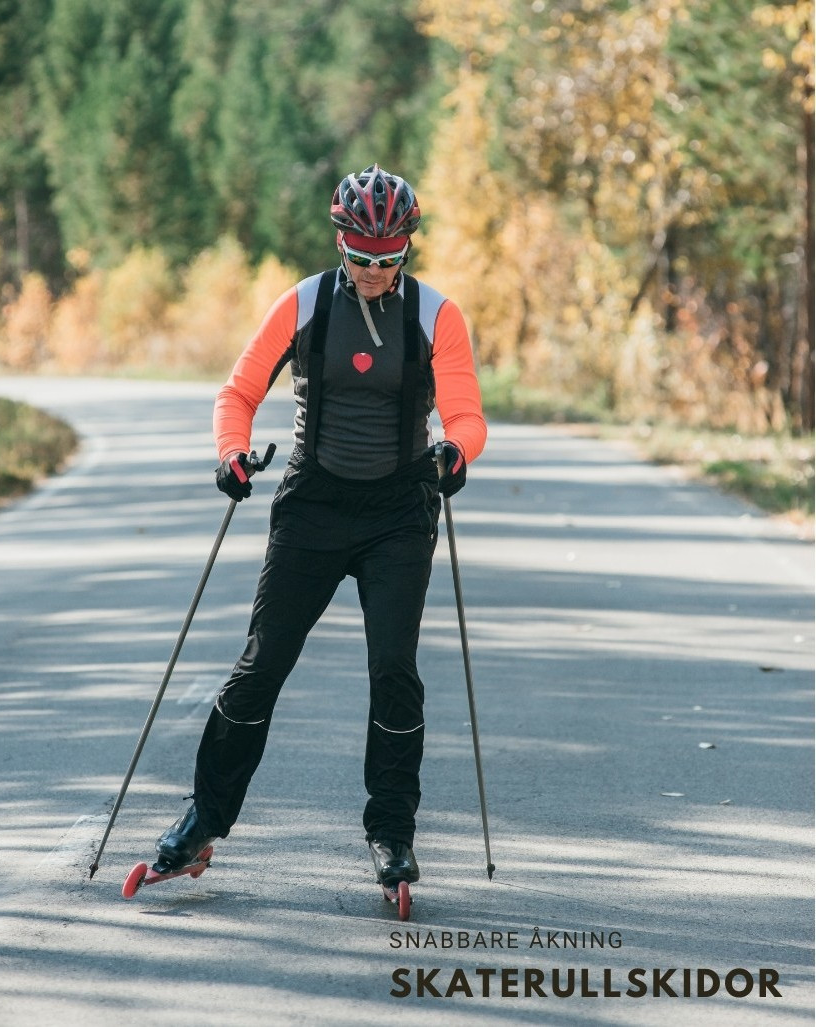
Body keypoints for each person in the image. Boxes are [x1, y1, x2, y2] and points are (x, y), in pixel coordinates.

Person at [153, 164, 487, 890]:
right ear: (341, 243)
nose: (374, 270)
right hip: (312, 504)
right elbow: (238, 392)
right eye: (362, 256)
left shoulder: (436, 315)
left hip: (399, 510)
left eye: (389, 256)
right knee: (259, 665)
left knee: (393, 672)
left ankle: (391, 834)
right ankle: (204, 817)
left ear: (406, 247)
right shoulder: (303, 303)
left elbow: (464, 411)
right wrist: (231, 453)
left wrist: (456, 450)